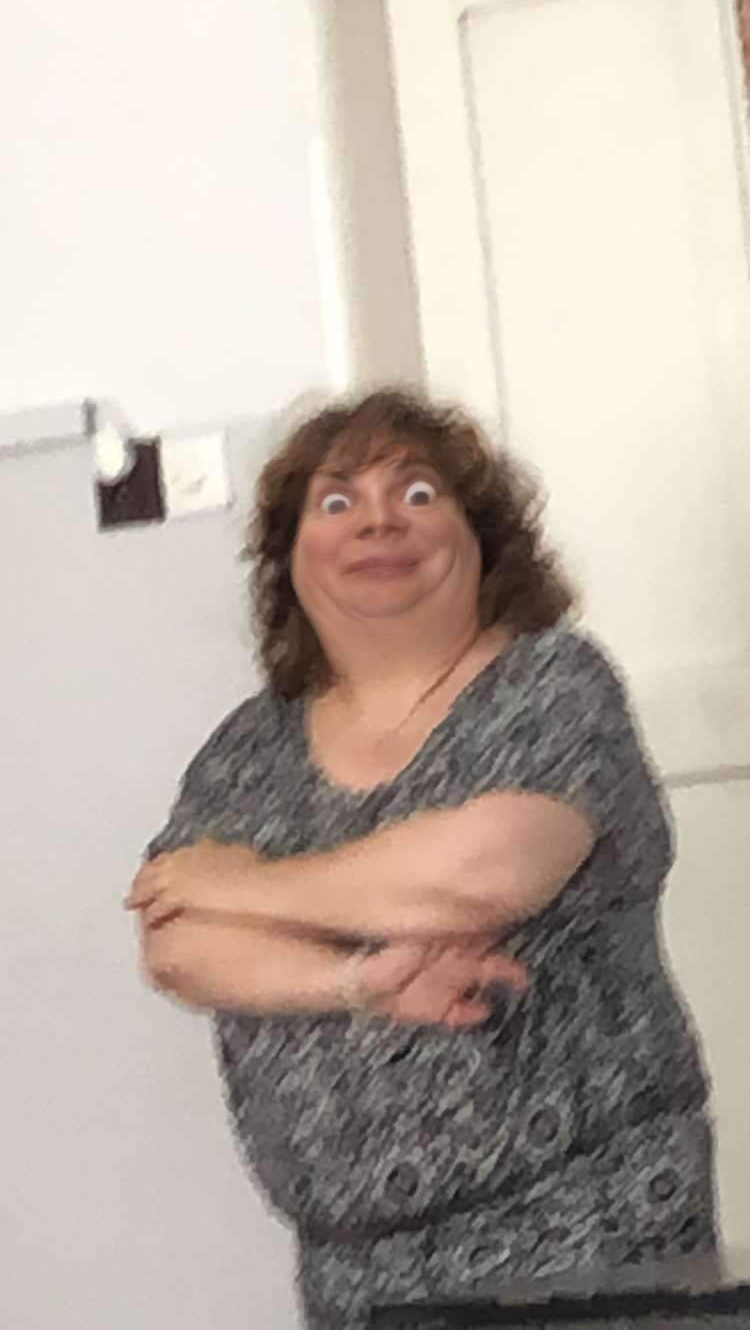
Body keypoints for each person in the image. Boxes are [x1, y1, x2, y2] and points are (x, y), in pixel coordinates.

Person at [127, 389, 718, 1330]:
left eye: (416, 493)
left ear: (481, 538)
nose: (377, 521)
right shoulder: (247, 749)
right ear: (289, 557)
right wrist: (356, 982)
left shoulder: (552, 684)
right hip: (352, 1271)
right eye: (336, 502)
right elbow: (177, 943)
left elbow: (482, 874)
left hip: (582, 1229)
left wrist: (245, 885)